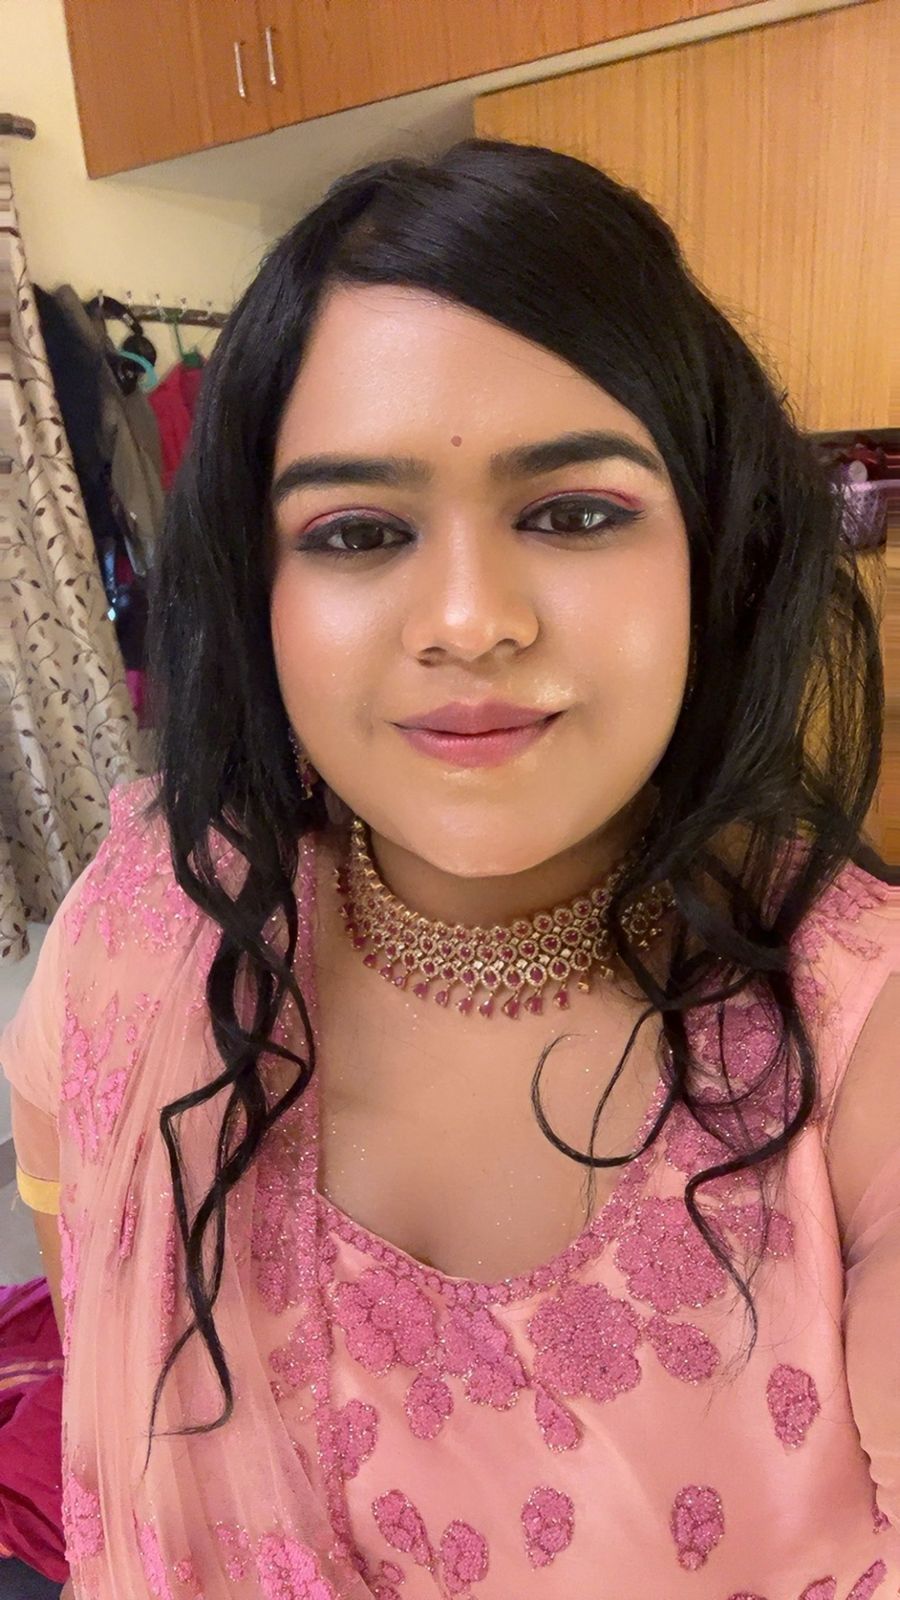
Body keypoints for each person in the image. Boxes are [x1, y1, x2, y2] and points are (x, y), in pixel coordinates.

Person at [1, 138, 897, 1599]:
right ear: (259, 586)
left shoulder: (863, 1033)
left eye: (574, 513)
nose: (469, 620)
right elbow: (79, 1250)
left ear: (715, 545)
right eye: (359, 531)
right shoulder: (150, 924)